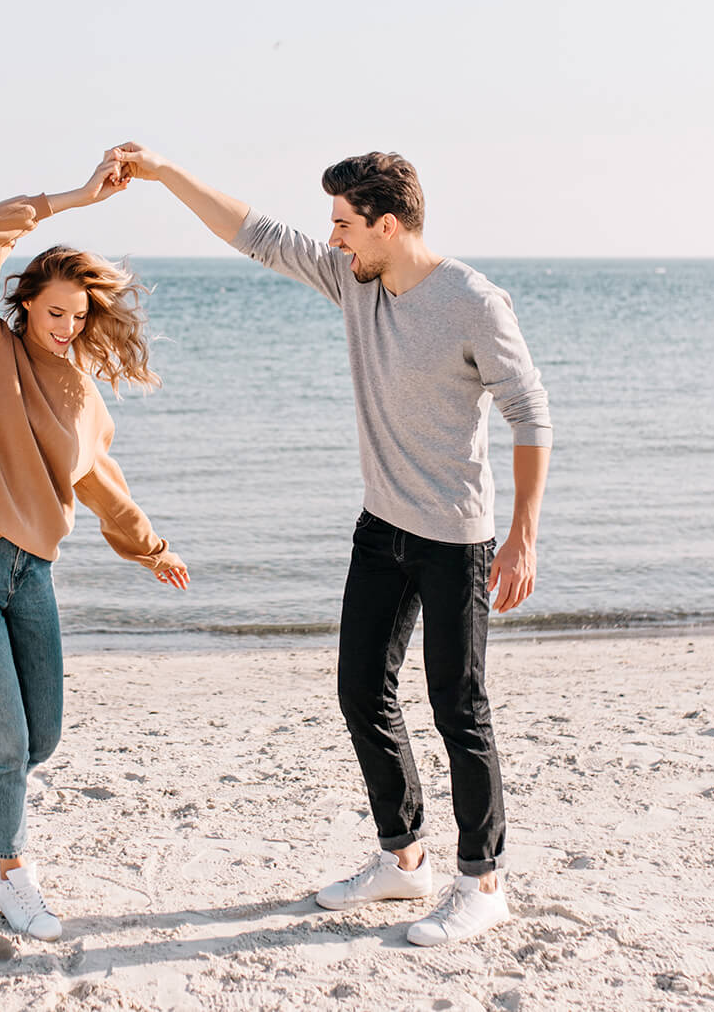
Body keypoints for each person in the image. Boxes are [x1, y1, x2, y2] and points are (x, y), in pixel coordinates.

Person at [110, 143, 550, 946]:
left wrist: (521, 537)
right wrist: (165, 172)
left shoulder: (475, 303)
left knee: (460, 706)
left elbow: (532, 414)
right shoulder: (357, 282)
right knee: (361, 692)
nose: (333, 238)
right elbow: (254, 232)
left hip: (456, 535)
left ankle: (483, 880)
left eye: (345, 224)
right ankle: (404, 857)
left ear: (387, 224)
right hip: (382, 524)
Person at [0, 157, 190, 941]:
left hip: (30, 574)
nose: (67, 326)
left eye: (79, 315)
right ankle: (15, 876)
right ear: (26, 301)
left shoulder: (78, 391)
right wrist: (76, 197)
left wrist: (151, 546)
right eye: (55, 311)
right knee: (4, 739)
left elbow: (100, 480)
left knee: (38, 740)